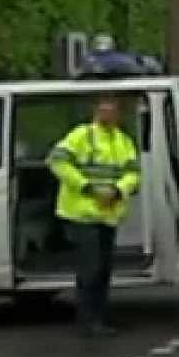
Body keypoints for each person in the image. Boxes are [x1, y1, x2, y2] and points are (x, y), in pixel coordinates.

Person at [47, 94, 141, 337]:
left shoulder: (123, 141)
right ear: (96, 112)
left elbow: (133, 173)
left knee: (104, 269)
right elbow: (56, 162)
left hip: (108, 214)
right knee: (91, 268)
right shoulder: (82, 135)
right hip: (81, 213)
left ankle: (101, 316)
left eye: (112, 110)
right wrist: (87, 187)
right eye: (104, 109)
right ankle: (89, 321)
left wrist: (118, 190)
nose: (108, 114)